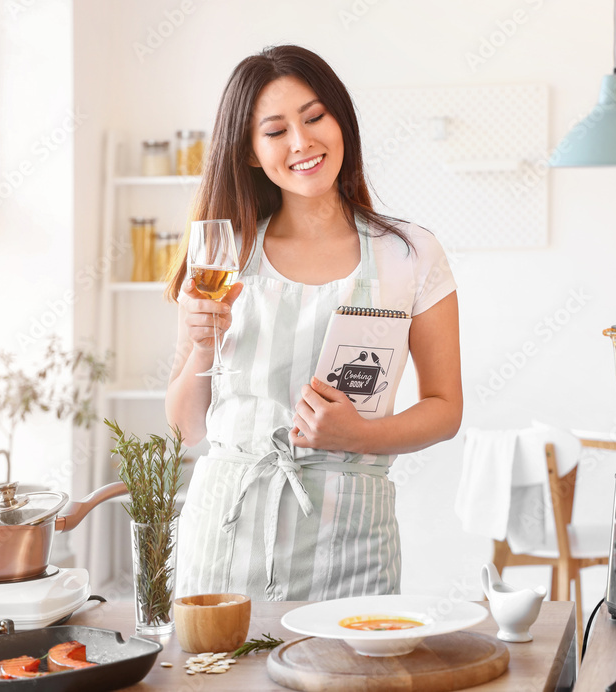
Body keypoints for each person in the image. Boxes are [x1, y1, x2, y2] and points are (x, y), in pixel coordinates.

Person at [165, 45, 462, 602]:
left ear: (340, 120)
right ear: (251, 153)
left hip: (352, 545)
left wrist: (363, 436)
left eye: (314, 117)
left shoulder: (409, 254)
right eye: (275, 131)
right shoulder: (221, 256)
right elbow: (187, 428)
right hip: (225, 539)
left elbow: (446, 409)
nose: (301, 142)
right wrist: (202, 348)